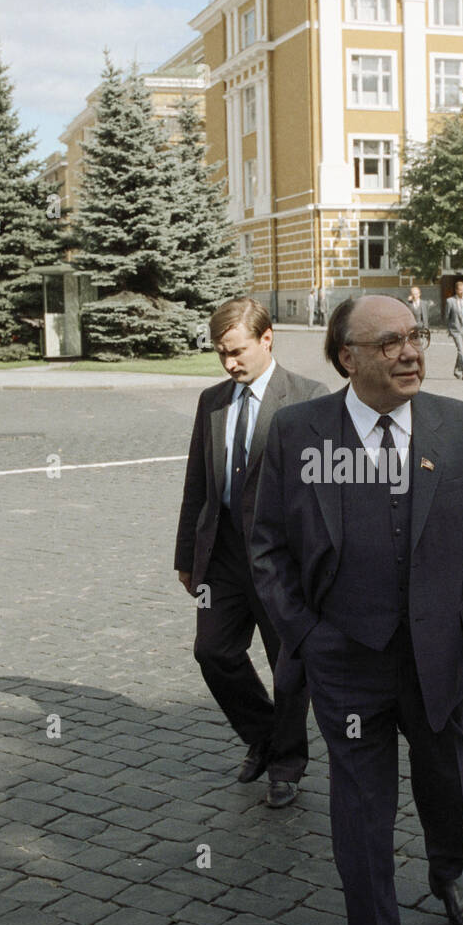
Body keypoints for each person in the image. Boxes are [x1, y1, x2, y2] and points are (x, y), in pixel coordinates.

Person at [251, 295, 463, 925]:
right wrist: (305, 636)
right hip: (347, 665)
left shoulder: (460, 427)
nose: (411, 354)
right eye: (390, 343)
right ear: (348, 358)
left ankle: (448, 871)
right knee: (361, 812)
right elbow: (267, 547)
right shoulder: (298, 432)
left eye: (416, 338)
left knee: (445, 783)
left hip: (439, 656)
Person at [174, 298, 327, 808]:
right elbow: (197, 482)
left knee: (288, 665)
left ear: (267, 339)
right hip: (222, 555)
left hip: (283, 562)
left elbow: (323, 494)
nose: (229, 364)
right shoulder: (212, 401)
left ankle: (285, 765)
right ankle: (264, 735)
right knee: (212, 651)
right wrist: (186, 556)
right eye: (221, 354)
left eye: (236, 352)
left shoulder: (308, 398)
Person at [446, 277, 463, 380]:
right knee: (461, 349)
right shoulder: (450, 301)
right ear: (456, 290)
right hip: (456, 329)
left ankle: (457, 370)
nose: (462, 292)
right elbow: (447, 316)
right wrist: (450, 329)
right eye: (460, 290)